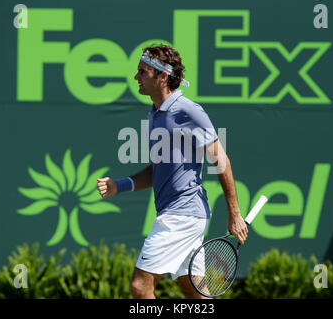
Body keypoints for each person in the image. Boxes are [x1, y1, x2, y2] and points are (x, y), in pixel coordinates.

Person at [97, 44, 248, 299]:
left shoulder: (188, 111)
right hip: (181, 213)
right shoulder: (155, 114)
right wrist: (119, 185)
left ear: (163, 77)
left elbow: (221, 160)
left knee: (140, 286)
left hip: (182, 214)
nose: (136, 78)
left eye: (143, 72)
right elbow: (159, 169)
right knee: (193, 289)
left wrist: (235, 214)